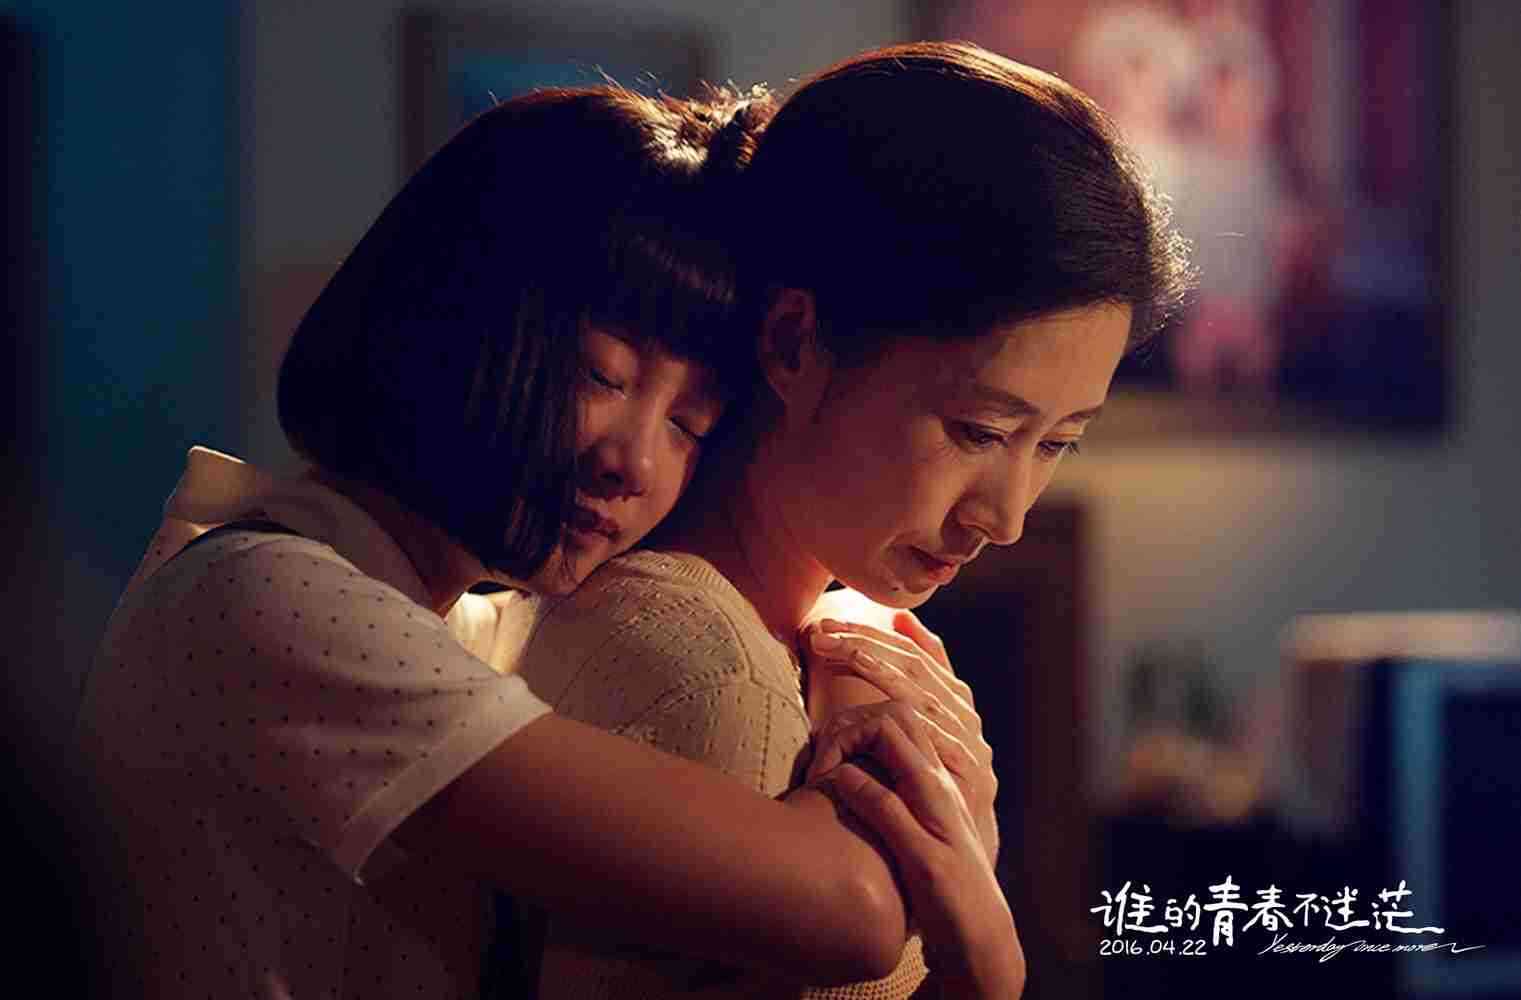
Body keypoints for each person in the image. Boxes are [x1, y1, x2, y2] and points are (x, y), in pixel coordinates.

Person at [72, 86, 1008, 999]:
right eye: (600, 376)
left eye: (689, 423)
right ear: (451, 319)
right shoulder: (273, 601)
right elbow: (849, 910)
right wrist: (869, 700)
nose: (631, 463)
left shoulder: (458, 619)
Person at [508, 41, 1192, 999]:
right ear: (795, 342)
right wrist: (985, 965)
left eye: (1056, 443)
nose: (1005, 518)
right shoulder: (704, 669)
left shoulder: (813, 646)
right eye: (978, 431)